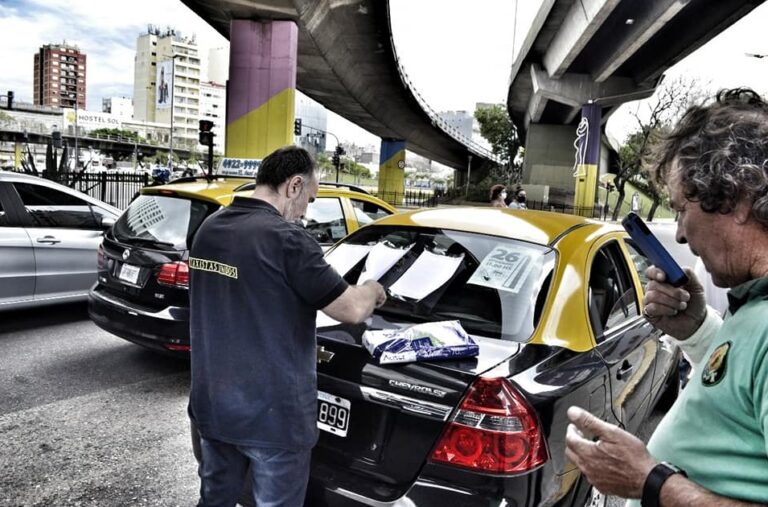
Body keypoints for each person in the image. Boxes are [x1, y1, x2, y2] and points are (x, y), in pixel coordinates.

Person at [565, 88, 768, 506]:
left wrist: (651, 482)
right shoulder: (754, 303)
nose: (678, 234)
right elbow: (740, 391)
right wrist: (697, 330)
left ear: (737, 199)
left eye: (680, 210)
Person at [188, 145, 386, 506]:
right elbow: (352, 310)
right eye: (309, 199)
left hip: (213, 406)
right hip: (273, 419)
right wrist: (373, 289)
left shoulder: (209, 228)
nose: (306, 211)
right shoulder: (288, 240)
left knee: (214, 500)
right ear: (294, 185)